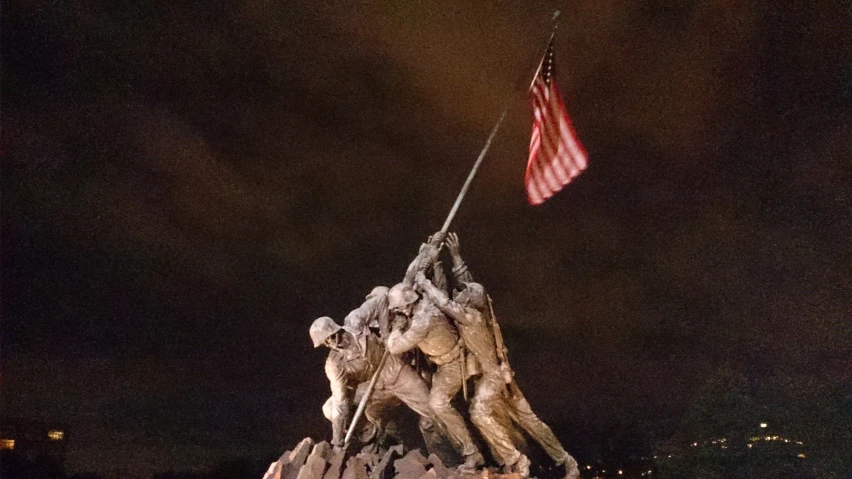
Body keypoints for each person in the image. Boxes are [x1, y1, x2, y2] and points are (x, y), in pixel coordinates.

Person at [443, 232, 582, 479]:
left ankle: (545, 460)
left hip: (497, 376)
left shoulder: (471, 316)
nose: (459, 292)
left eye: (462, 292)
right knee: (520, 420)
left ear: (471, 300)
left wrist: (425, 276)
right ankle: (527, 461)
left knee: (514, 418)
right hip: (489, 378)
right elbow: (470, 283)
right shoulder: (476, 308)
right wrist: (456, 258)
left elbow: (450, 299)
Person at [385, 242, 485, 472]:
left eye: (399, 309)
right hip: (440, 364)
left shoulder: (422, 320)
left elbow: (395, 347)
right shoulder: (421, 304)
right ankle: (453, 459)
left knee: (437, 404)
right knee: (428, 419)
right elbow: (410, 275)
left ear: (408, 304)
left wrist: (397, 328)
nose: (398, 313)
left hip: (453, 363)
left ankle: (473, 453)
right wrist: (427, 252)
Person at [309, 316, 435, 452]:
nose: (329, 342)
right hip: (372, 387)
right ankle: (371, 435)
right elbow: (341, 400)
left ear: (336, 329)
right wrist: (337, 440)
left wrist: (396, 324)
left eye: (330, 336)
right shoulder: (334, 364)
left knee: (433, 408)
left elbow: (381, 311)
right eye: (325, 342)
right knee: (329, 408)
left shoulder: (357, 325)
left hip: (394, 371)